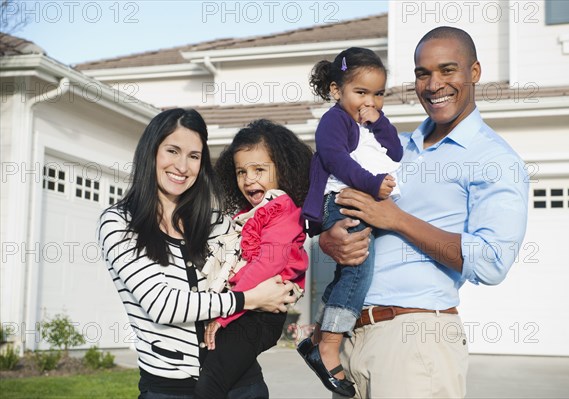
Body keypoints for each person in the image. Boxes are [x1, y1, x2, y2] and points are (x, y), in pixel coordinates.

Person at [319, 27, 529, 398]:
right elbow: (338, 195)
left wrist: (397, 220)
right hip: (353, 337)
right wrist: (328, 240)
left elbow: (493, 262)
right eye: (422, 73)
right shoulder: (394, 147)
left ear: (474, 73)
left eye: (448, 70)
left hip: (415, 341)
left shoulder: (495, 160)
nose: (434, 84)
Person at [97, 108, 296, 399]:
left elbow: (271, 261)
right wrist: (249, 299)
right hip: (170, 389)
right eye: (172, 151)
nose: (182, 166)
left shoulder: (217, 222)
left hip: (243, 384)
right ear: (150, 152)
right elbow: (162, 306)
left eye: (193, 156)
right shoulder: (120, 224)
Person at [298, 47, 402, 397]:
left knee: (349, 273)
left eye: (378, 94)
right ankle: (329, 347)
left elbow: (396, 152)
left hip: (361, 200)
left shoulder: (367, 123)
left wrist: (379, 120)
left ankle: (315, 339)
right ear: (335, 90)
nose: (369, 101)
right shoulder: (334, 120)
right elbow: (334, 158)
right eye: (361, 92)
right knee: (358, 268)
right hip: (340, 199)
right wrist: (372, 184)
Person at [193, 119, 313, 398]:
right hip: (246, 310)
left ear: (282, 170)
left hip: (258, 316)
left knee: (209, 384)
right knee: (227, 380)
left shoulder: (283, 210)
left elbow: (265, 266)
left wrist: (224, 314)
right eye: (241, 171)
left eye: (259, 170)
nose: (249, 179)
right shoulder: (250, 215)